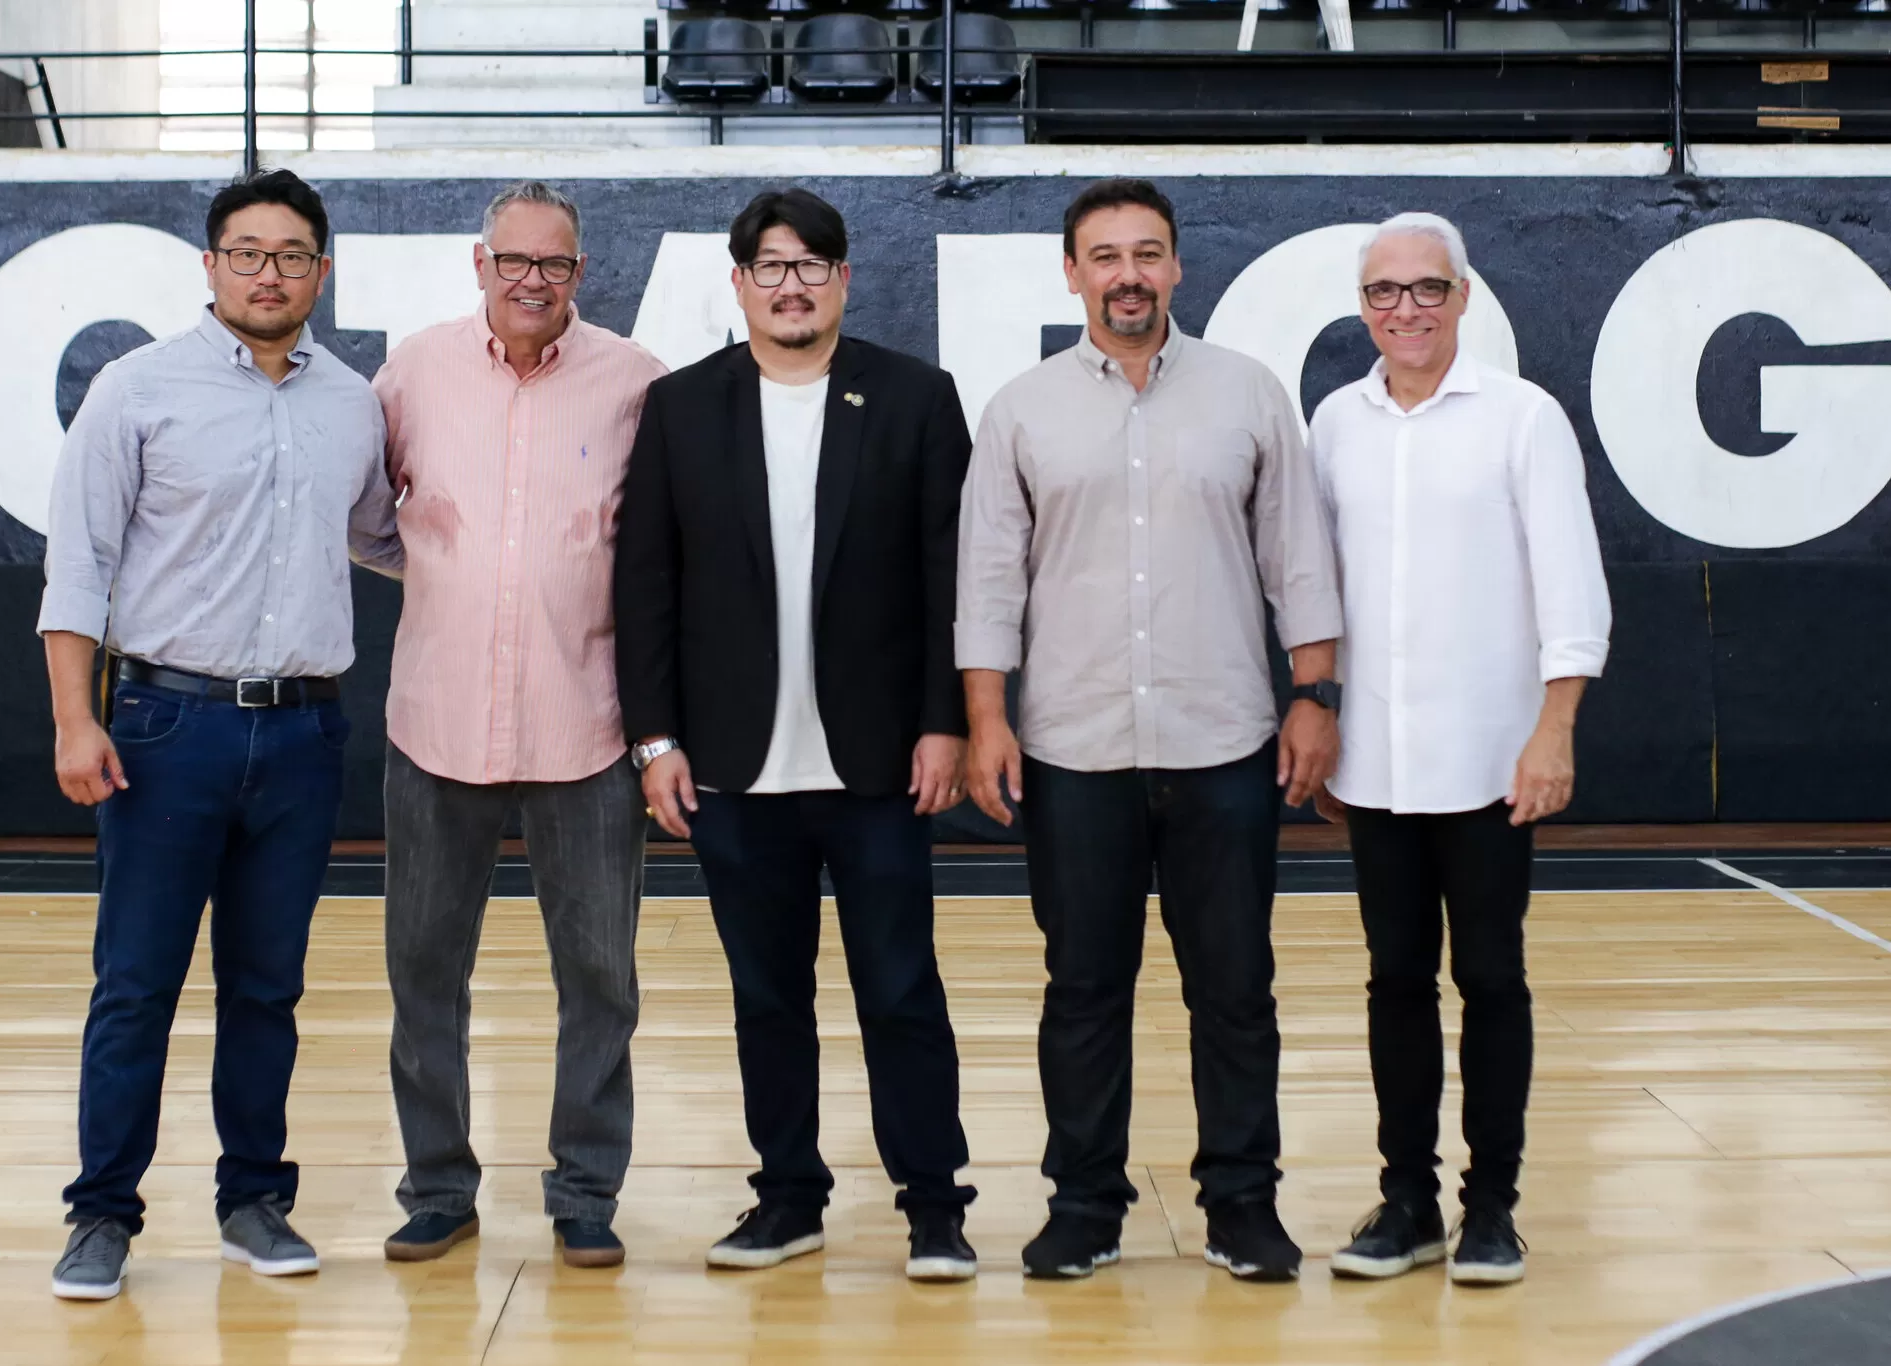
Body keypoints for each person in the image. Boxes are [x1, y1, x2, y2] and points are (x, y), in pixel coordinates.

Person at [957, 178, 1344, 1282]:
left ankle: (1241, 1205)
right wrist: (987, 716)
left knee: (1232, 987)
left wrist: (1311, 697)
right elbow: (987, 580)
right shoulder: (1022, 408)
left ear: (1175, 268)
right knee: (1082, 988)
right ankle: (1083, 1204)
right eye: (1104, 255)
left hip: (1223, 741)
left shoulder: (1248, 394)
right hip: (1072, 750)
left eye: (1147, 253)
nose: (1127, 274)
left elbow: (1297, 559)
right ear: (1070, 273)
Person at [37, 170, 402, 1301]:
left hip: (301, 737)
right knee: (136, 984)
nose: (269, 273)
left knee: (266, 986)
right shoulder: (136, 388)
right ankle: (102, 1213)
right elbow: (79, 566)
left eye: (292, 254)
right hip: (161, 727)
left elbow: (386, 538)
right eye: (247, 252)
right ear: (210, 265)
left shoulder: (353, 401)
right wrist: (74, 719)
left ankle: (254, 1199)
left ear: (320, 271)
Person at [614, 188, 978, 1282]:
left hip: (876, 762)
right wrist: (654, 740)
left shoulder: (915, 397)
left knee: (900, 988)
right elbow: (645, 587)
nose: (790, 282)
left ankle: (931, 1203)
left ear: (842, 281)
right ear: (738, 284)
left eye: (811, 264)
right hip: (730, 761)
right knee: (766, 996)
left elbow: (946, 580)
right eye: (768, 265)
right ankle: (787, 1196)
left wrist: (943, 720)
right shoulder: (681, 406)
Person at [373, 181, 666, 1270]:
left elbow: (656, 549)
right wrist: (463, 578)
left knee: (599, 978)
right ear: (479, 264)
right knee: (423, 974)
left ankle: (585, 1191)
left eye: (554, 264)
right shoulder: (412, 373)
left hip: (583, 730)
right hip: (434, 725)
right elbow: (373, 518)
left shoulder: (636, 381)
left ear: (581, 274)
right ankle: (437, 1188)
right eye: (513, 261)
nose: (532, 281)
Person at [1314, 212, 1610, 1287]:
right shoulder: (1332, 423)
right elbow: (1319, 592)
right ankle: (1407, 1202)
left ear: (1462, 296)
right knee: (1394, 980)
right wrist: (1324, 720)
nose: (1405, 309)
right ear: (1362, 308)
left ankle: (1492, 1209)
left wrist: (1552, 728)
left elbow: (1570, 589)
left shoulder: (1522, 420)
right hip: (1374, 768)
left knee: (1489, 978)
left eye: (1425, 289)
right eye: (1385, 292)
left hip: (1492, 761)